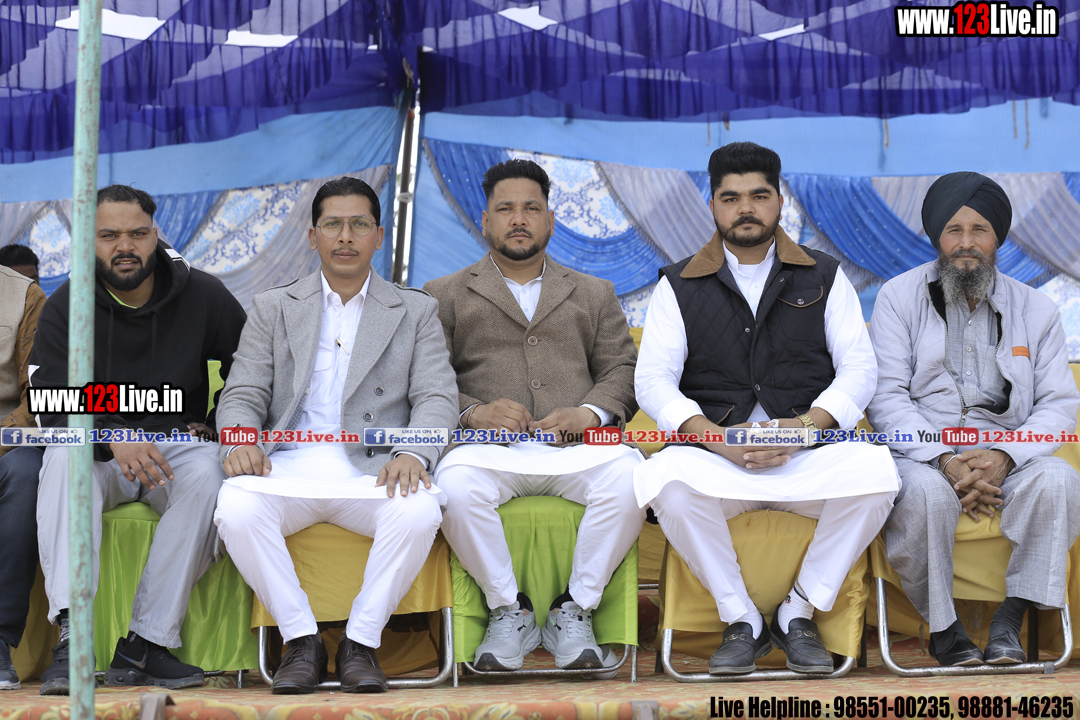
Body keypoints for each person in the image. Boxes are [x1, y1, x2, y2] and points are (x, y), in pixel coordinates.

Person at [633, 142, 899, 675]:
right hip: (719, 462)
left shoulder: (824, 275)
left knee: (878, 474)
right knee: (666, 483)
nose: (746, 208)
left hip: (806, 458)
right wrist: (716, 439)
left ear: (780, 201)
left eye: (759, 195)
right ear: (713, 205)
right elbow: (653, 381)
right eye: (731, 198)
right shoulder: (678, 284)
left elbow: (859, 369)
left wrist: (803, 430)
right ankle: (742, 620)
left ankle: (799, 610)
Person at [213, 177, 458, 694]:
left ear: (379, 236)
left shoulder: (415, 310)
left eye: (359, 224)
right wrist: (239, 440)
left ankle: (361, 642)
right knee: (235, 507)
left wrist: (413, 452)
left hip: (374, 467)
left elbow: (437, 396)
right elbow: (242, 392)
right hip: (285, 464)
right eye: (333, 225)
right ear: (313, 236)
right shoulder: (273, 306)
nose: (345, 236)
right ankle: (301, 641)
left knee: (419, 511)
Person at [424, 158, 643, 672]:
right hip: (487, 452)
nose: (519, 219)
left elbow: (623, 369)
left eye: (531, 209)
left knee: (634, 479)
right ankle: (509, 610)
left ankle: (575, 608)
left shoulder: (593, 292)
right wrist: (474, 412)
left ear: (550, 220)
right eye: (506, 209)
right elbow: (427, 380)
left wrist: (590, 413)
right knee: (452, 488)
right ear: (485, 221)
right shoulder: (443, 294)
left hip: (578, 450)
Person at [30, 185, 247, 694]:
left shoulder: (203, 293)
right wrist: (112, 432)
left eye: (137, 233)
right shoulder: (66, 304)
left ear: (156, 235)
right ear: (89, 241)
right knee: (63, 458)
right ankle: (73, 636)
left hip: (172, 449)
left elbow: (253, 367)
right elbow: (46, 401)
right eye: (109, 235)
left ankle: (145, 644)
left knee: (212, 472)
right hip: (100, 452)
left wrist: (216, 422)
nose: (124, 246)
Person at [867, 171, 1080, 667]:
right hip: (922, 452)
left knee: (1059, 480)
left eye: (979, 229)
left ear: (997, 237)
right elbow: (886, 398)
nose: (967, 243)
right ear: (937, 237)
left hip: (1008, 453)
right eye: (954, 230)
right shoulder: (898, 298)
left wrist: (1005, 455)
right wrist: (944, 458)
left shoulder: (1037, 309)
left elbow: (1058, 405)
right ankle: (946, 632)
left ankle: (1010, 619)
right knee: (923, 493)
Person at [0, 264, 46, 690]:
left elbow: (40, 395)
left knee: (27, 472)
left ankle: (0, 636)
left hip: (7, 444)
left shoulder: (24, 296)